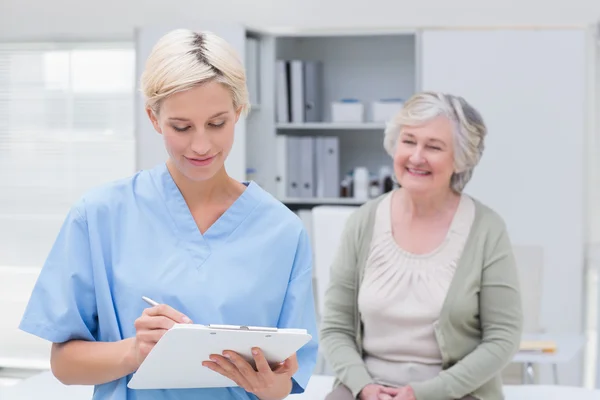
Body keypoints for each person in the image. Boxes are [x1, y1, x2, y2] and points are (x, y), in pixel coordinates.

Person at [19, 28, 318, 400]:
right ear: (154, 118)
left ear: (239, 113)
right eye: (181, 127)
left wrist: (271, 385)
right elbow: (64, 365)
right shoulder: (99, 216)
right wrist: (135, 350)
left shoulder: (283, 231)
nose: (201, 145)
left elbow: (287, 381)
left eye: (217, 123)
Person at [320, 92, 523, 400]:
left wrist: (425, 393)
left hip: (453, 393)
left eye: (434, 146)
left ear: (460, 158)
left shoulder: (486, 229)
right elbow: (336, 328)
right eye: (409, 141)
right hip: (367, 389)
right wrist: (364, 386)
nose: (416, 156)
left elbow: (502, 337)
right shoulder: (363, 222)